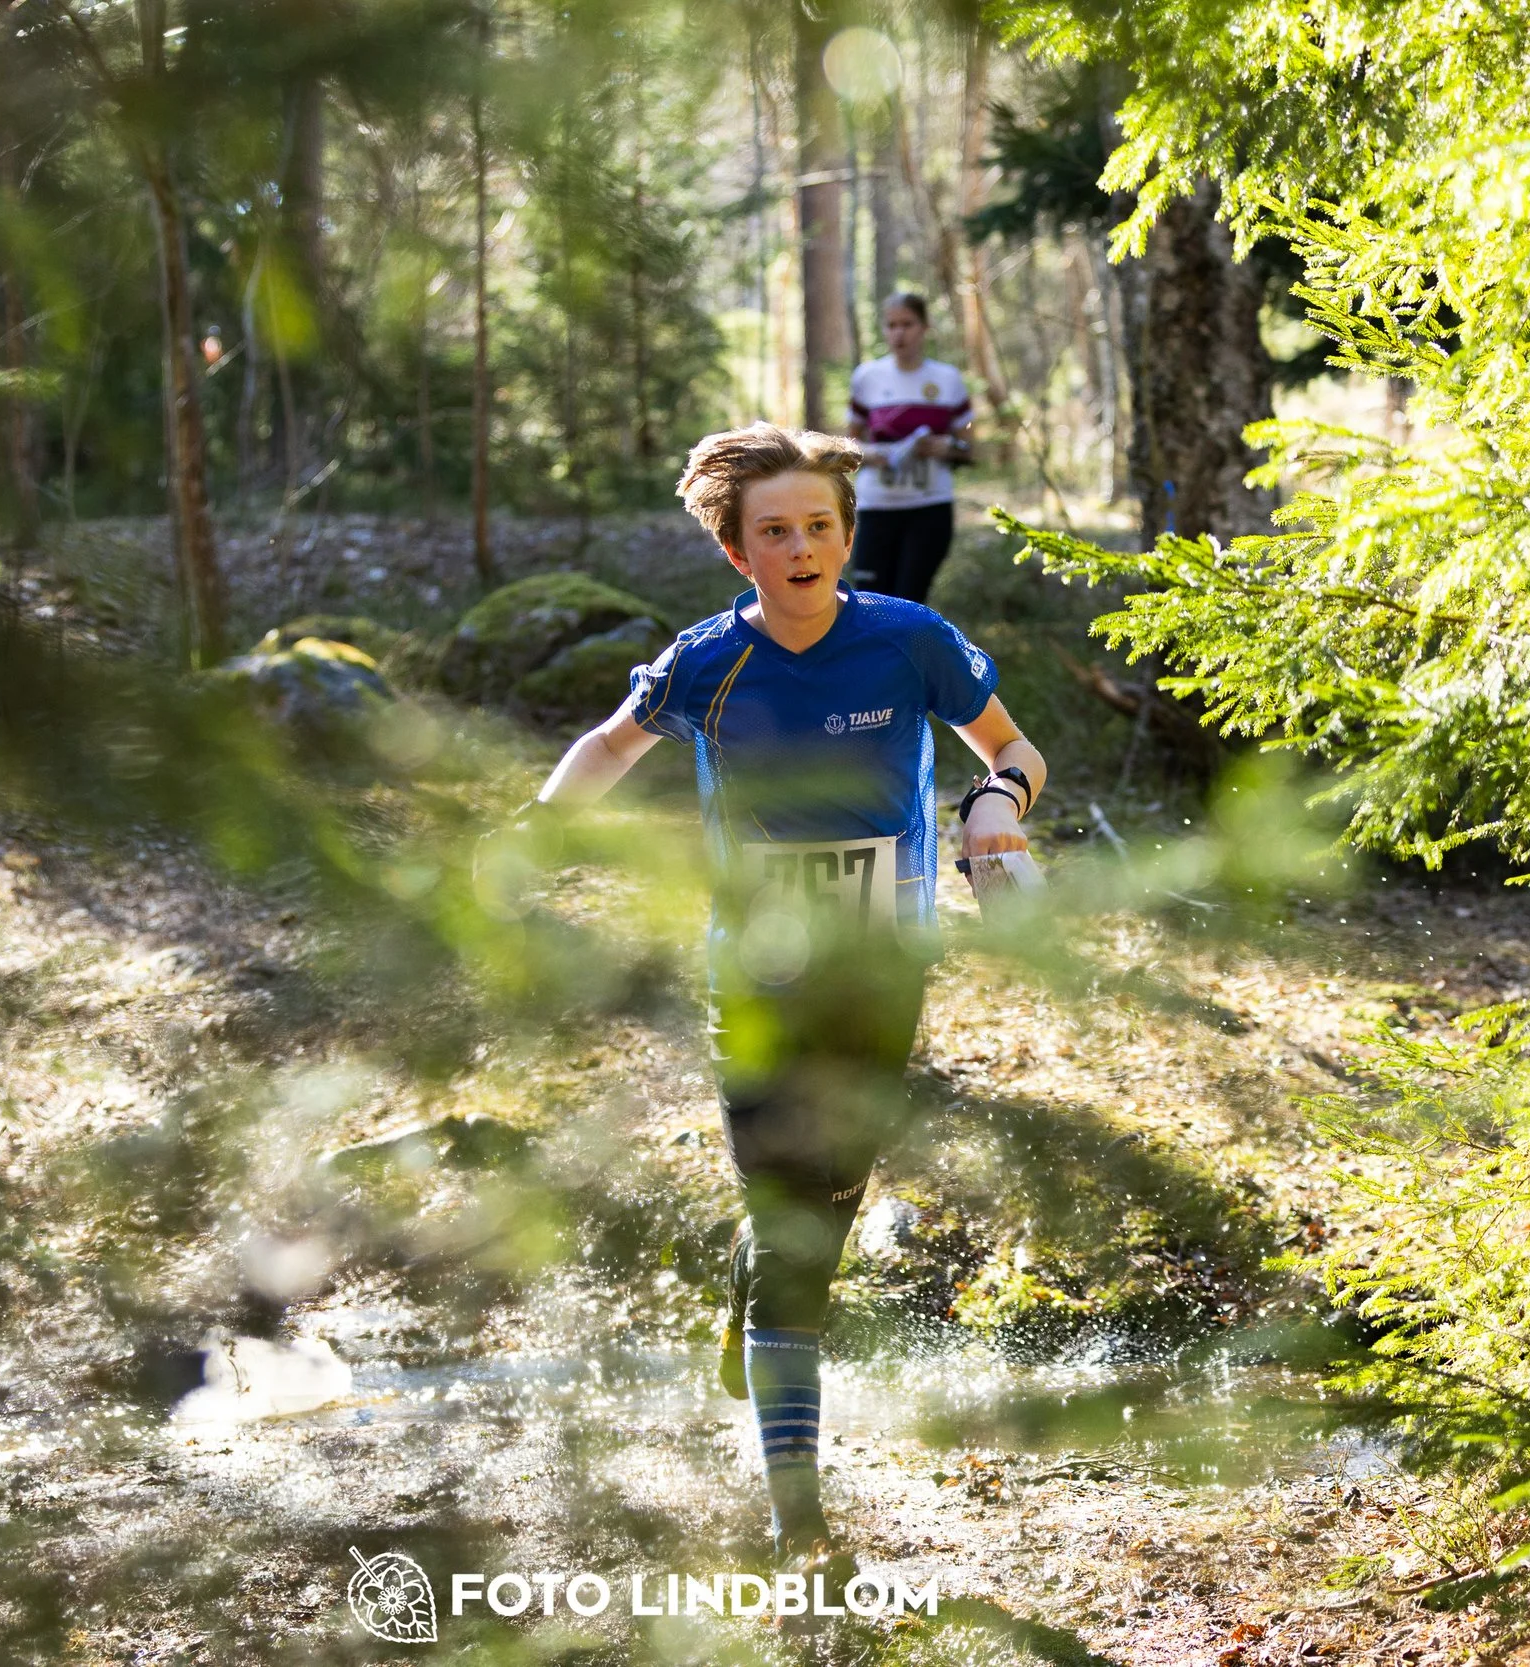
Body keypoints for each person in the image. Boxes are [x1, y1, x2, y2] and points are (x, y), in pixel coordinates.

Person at [512, 422, 1045, 1573]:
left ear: (847, 538)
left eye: (818, 527)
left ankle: (756, 1276)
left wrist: (995, 805)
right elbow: (610, 745)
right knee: (797, 1242)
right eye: (775, 532)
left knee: (821, 1218)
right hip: (751, 976)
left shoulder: (910, 641)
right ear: (736, 550)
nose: (801, 547)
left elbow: (1015, 747)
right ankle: (798, 1521)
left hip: (880, 969)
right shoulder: (710, 660)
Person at [846, 292, 972, 604]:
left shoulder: (947, 379)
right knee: (871, 601)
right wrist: (872, 454)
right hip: (878, 506)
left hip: (929, 507)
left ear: (925, 327)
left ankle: (912, 654)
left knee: (910, 601)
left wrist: (947, 447)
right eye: (891, 325)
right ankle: (872, 655)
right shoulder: (867, 377)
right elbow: (849, 445)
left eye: (907, 324)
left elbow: (968, 447)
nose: (898, 333)